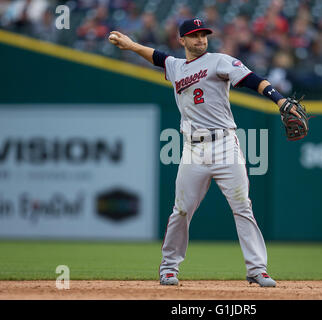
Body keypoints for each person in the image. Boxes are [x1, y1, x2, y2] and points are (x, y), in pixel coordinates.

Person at [109, 18, 301, 287]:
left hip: (225, 145)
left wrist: (278, 98)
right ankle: (168, 268)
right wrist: (130, 45)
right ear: (182, 40)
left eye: (203, 35)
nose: (200, 39)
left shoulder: (219, 60)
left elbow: (252, 79)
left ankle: (257, 269)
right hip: (193, 149)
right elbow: (156, 56)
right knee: (182, 210)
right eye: (194, 35)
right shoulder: (176, 67)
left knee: (243, 206)